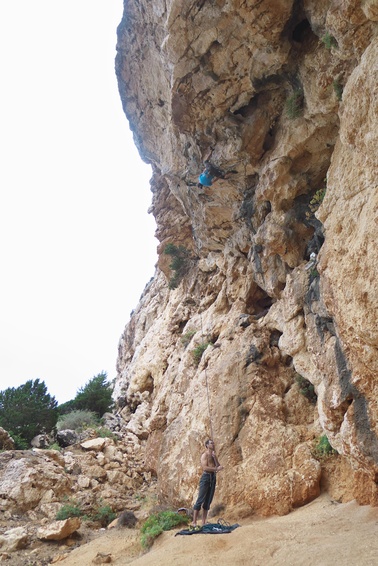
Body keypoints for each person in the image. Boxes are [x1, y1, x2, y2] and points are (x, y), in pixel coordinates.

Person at [191, 439, 224, 528]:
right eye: (211, 443)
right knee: (200, 499)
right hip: (206, 477)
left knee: (208, 500)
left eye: (213, 443)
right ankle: (194, 522)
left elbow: (218, 465)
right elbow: (205, 468)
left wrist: (215, 458)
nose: (213, 444)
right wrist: (216, 469)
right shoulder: (204, 455)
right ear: (207, 445)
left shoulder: (213, 455)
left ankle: (204, 521)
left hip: (213, 478)